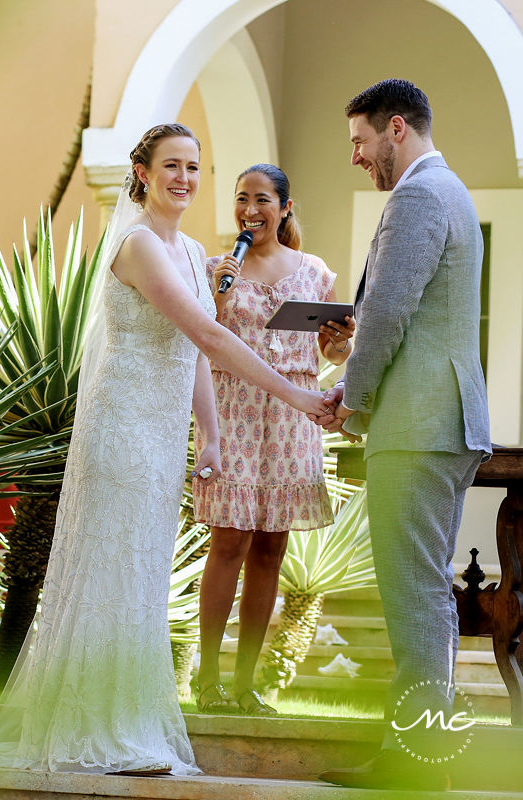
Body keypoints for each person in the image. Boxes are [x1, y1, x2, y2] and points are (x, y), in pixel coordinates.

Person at [0, 124, 329, 776]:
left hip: (160, 439)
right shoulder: (139, 245)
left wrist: (210, 433)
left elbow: (194, 360)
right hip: (122, 434)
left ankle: (128, 724)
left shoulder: (193, 248)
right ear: (143, 173)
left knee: (143, 578)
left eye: (193, 167)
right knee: (112, 575)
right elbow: (206, 334)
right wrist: (297, 397)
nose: (184, 177)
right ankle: (100, 732)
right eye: (171, 165)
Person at [315, 80, 491, 791]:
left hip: (419, 425)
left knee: (413, 590)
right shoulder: (447, 190)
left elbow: (387, 317)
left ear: (396, 129)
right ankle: (421, 753)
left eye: (359, 142)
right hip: (438, 419)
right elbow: (397, 321)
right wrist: (346, 370)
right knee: (426, 589)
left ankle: (415, 763)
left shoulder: (419, 195)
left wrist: (351, 404)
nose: (356, 157)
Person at [192, 164, 355, 716]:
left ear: (284, 208)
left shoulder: (314, 272)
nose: (249, 210)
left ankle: (246, 685)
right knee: (230, 541)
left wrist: (340, 344)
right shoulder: (217, 268)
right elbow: (200, 339)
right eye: (241, 199)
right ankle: (207, 678)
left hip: (293, 418)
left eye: (261, 199)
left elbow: (332, 356)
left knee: (270, 549)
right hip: (233, 408)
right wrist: (218, 292)